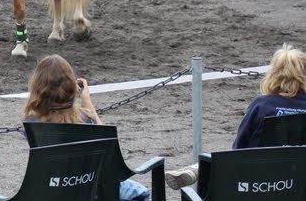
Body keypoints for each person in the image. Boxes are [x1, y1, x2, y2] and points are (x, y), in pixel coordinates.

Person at [165, 43, 306, 189]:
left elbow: (240, 146)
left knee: (222, 160)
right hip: (299, 181)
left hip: (257, 182)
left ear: (273, 73)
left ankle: (198, 168)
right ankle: (200, 167)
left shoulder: (262, 105)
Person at [23, 55, 150, 200]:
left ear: (37, 88)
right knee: (141, 193)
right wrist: (87, 101)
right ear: (72, 87)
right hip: (94, 190)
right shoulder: (86, 118)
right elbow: (106, 143)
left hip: (54, 190)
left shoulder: (31, 124)